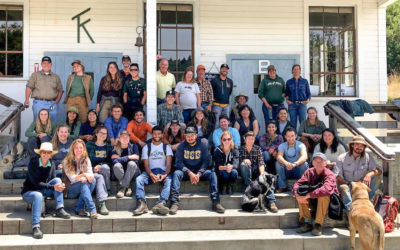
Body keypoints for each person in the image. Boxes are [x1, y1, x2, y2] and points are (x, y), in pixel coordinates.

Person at [21, 142, 70, 239]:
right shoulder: (33, 163)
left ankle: (60, 208)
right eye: (44, 152)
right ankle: (36, 226)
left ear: (51, 154)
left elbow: (53, 181)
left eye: (49, 153)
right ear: (40, 153)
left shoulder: (51, 163)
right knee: (38, 196)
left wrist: (59, 186)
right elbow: (36, 183)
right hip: (30, 192)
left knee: (58, 180)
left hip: (43, 190)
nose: (46, 155)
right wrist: (53, 187)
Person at [171, 126, 225, 214]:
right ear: (185, 136)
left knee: (212, 174)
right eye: (187, 136)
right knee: (176, 173)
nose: (190, 137)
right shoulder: (181, 146)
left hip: (199, 172)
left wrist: (199, 173)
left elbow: (206, 162)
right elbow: (179, 163)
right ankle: (174, 202)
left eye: (192, 135)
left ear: (196, 135)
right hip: (186, 172)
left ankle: (216, 201)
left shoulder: (202, 146)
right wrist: (189, 173)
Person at [293, 152, 338, 236]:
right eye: (316, 161)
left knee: (324, 195)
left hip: (328, 205)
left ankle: (318, 224)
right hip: (313, 201)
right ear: (312, 163)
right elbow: (298, 184)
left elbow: (326, 189)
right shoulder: (309, 172)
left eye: (321, 161)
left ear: (325, 163)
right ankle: (307, 223)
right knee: (300, 193)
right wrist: (297, 194)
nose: (318, 163)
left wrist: (308, 195)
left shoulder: (329, 174)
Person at [133, 126, 173, 216]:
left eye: (159, 133)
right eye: (155, 133)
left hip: (162, 171)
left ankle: (161, 203)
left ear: (162, 134)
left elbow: (169, 165)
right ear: (152, 134)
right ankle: (142, 204)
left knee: (170, 180)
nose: (157, 135)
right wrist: (151, 174)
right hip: (150, 171)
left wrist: (164, 175)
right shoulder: (147, 148)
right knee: (139, 179)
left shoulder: (167, 147)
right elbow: (146, 165)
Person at [336, 135, 383, 211]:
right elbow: (337, 178)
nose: (359, 147)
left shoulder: (367, 157)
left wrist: (369, 174)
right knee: (343, 187)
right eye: (357, 144)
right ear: (352, 145)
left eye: (362, 145)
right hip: (348, 186)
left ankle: (367, 201)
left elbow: (379, 170)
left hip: (362, 187)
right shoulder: (341, 158)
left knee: (376, 176)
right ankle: (350, 210)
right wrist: (350, 184)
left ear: (364, 148)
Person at [239, 131, 278, 213]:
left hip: (256, 171)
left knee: (266, 178)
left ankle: (271, 202)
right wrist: (244, 160)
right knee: (243, 165)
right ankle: (248, 186)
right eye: (249, 139)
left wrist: (262, 174)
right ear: (244, 139)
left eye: (252, 139)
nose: (251, 140)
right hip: (246, 173)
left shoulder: (257, 148)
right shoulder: (240, 149)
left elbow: (261, 162)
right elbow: (237, 162)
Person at [62, 139, 98, 219]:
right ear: (73, 149)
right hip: (69, 189)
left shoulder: (86, 159)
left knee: (93, 181)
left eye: (81, 148)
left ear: (84, 149)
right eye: (76, 148)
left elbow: (91, 175)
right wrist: (84, 175)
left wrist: (87, 176)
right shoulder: (66, 161)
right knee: (84, 183)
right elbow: (72, 178)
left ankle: (79, 207)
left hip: (82, 187)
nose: (79, 150)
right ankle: (92, 209)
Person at [25, 56, 63, 122]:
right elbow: (29, 87)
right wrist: (27, 99)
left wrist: (57, 101)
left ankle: (51, 133)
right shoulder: (35, 75)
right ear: (41, 64)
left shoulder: (56, 77)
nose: (46, 65)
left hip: (52, 103)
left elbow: (60, 90)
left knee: (52, 122)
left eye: (48, 63)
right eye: (44, 63)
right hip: (39, 103)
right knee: (38, 122)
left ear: (51, 65)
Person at [275, 127, 309, 193]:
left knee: (304, 164)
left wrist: (295, 164)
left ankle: (303, 186)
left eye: (292, 136)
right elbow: (279, 156)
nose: (290, 138)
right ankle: (282, 186)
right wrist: (286, 163)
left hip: (298, 169)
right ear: (285, 137)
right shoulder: (282, 145)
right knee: (278, 163)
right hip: (287, 169)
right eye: (288, 136)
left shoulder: (301, 145)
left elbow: (304, 156)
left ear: (296, 136)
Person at [86, 126, 113, 203]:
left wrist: (100, 165)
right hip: (90, 168)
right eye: (101, 133)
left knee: (105, 167)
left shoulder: (108, 146)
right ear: (96, 133)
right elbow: (84, 158)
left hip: (103, 168)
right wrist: (92, 167)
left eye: (105, 134)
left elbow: (110, 161)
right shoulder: (89, 145)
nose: (103, 135)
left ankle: (107, 189)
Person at [112, 130, 140, 198]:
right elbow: (114, 161)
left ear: (129, 138)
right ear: (119, 139)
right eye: (122, 137)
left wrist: (121, 158)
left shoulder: (134, 146)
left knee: (131, 164)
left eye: (127, 137)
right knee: (116, 166)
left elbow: (136, 158)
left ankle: (122, 188)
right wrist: (129, 157)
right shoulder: (115, 148)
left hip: (133, 171)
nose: (125, 138)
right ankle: (127, 186)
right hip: (120, 172)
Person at [285, 64, 311, 129]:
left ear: (300, 71)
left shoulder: (305, 81)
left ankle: (303, 138)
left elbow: (309, 93)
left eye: (297, 69)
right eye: (294, 69)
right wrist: (287, 100)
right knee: (293, 123)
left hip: (302, 104)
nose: (296, 70)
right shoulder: (289, 82)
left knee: (303, 122)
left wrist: (307, 100)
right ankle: (293, 138)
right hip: (292, 105)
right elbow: (287, 93)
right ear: (292, 71)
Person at [211, 64, 233, 128]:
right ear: (220, 70)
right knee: (216, 123)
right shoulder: (214, 80)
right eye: (223, 68)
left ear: (228, 70)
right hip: (216, 105)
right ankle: (216, 137)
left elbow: (230, 92)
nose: (224, 70)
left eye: (226, 69)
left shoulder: (230, 81)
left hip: (226, 105)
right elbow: (211, 92)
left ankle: (225, 137)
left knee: (226, 123)